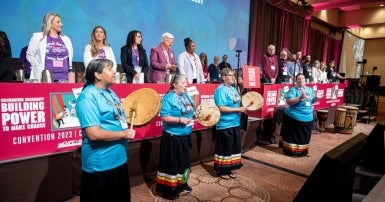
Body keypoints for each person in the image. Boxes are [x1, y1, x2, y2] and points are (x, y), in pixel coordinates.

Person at [76, 59, 136, 202]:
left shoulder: (111, 92)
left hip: (119, 159)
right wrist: (124, 134)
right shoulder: (88, 97)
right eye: (110, 69)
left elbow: (116, 119)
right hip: (101, 165)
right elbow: (93, 134)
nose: (115, 71)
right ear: (97, 74)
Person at [155, 74, 195, 200]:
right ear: (175, 84)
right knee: (171, 164)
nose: (186, 85)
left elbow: (192, 110)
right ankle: (167, 189)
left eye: (186, 82)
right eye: (183, 83)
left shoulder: (186, 95)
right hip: (173, 137)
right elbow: (164, 117)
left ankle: (182, 183)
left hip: (185, 135)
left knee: (184, 162)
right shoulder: (168, 97)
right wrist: (179, 120)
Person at [213, 68, 247, 179]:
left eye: (233, 75)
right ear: (223, 77)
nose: (233, 77)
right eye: (230, 75)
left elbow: (237, 103)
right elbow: (221, 107)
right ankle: (222, 170)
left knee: (232, 148)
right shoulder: (220, 90)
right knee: (225, 148)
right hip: (225, 124)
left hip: (235, 123)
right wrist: (238, 110)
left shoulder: (233, 89)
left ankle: (229, 168)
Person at [26, 12, 73, 81]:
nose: (61, 24)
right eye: (58, 22)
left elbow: (69, 58)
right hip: (45, 79)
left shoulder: (66, 39)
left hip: (64, 79)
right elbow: (29, 55)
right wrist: (38, 66)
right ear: (50, 23)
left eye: (61, 22)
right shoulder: (38, 37)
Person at [280, 73, 317, 157]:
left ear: (305, 80)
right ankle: (292, 152)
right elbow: (289, 102)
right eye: (299, 79)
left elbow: (311, 101)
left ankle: (302, 152)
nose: (301, 80)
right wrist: (299, 98)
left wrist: (316, 98)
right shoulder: (293, 90)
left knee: (304, 137)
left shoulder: (310, 90)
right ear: (296, 81)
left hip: (308, 116)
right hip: (294, 116)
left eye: (302, 79)